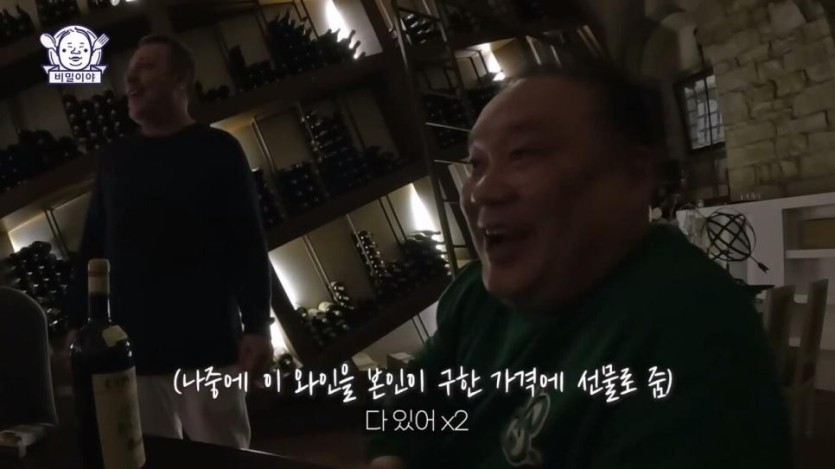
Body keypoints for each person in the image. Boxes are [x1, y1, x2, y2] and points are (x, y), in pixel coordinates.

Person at [366, 63, 792, 468]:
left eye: (523, 154)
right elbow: (410, 401)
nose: (480, 192)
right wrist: (391, 457)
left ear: (633, 176)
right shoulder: (473, 295)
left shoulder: (689, 331)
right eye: (477, 163)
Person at [64, 34, 273, 449]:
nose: (130, 79)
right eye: (129, 72)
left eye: (146, 67)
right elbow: (93, 247)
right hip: (134, 350)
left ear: (180, 78)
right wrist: (76, 319)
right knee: (149, 458)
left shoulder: (219, 150)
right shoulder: (115, 159)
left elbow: (248, 243)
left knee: (224, 458)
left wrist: (257, 326)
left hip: (208, 346)